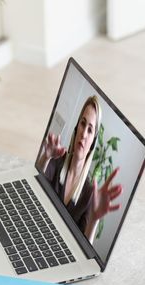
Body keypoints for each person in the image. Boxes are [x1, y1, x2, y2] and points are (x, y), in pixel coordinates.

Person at [37, 95, 122, 244]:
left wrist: (94, 219)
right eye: (83, 124)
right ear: (76, 129)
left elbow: (85, 251)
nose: (83, 134)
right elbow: (34, 187)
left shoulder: (90, 193)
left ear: (93, 142)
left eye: (90, 130)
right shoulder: (56, 161)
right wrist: (46, 156)